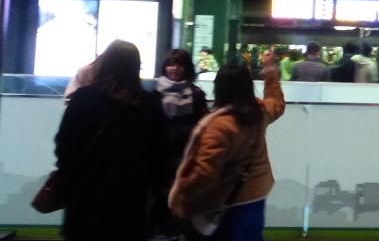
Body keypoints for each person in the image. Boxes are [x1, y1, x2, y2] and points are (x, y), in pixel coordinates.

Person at [54, 40, 167, 241]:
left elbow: (64, 144)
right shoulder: (149, 105)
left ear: (105, 64)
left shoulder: (83, 98)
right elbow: (160, 153)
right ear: (136, 67)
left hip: (84, 196)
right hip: (130, 199)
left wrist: (70, 175)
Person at [169, 52, 286, 241]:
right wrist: (270, 70)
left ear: (219, 88)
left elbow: (204, 173)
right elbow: (277, 102)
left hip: (229, 203)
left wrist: (181, 194)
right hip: (258, 197)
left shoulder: (219, 126)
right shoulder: (260, 112)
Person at [155, 48, 210, 236]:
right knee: (161, 202)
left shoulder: (196, 94)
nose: (174, 68)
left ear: (187, 68)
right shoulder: (155, 93)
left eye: (179, 64)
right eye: (170, 64)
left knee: (182, 202)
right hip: (160, 158)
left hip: (186, 158)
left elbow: (203, 126)